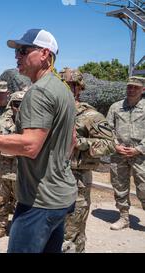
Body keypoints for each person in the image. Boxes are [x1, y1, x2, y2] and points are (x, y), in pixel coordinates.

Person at [0, 29, 77, 253]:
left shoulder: (39, 92)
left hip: (39, 202)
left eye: (23, 51)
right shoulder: (62, 89)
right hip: (60, 197)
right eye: (17, 52)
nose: (17, 57)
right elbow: (71, 140)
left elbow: (30, 146)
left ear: (44, 54)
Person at [59, 68, 115, 253]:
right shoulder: (53, 113)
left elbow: (109, 144)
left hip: (77, 180)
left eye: (70, 85)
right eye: (62, 85)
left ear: (79, 88)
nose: (66, 88)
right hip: (52, 178)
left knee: (72, 231)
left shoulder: (91, 116)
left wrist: (81, 143)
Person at [107, 76, 145, 231]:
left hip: (141, 154)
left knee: (144, 187)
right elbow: (108, 130)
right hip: (119, 153)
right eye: (129, 87)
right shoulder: (116, 107)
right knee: (119, 186)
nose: (131, 90)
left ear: (143, 90)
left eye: (135, 87)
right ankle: (124, 218)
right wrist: (115, 146)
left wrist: (139, 149)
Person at [0, 91, 25, 242]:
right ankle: (1, 226)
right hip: (2, 166)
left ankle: (19, 228)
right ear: (12, 105)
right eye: (16, 104)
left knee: (22, 200)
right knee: (0, 198)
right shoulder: (3, 122)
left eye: (22, 104)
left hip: (21, 169)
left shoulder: (32, 124)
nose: (19, 107)